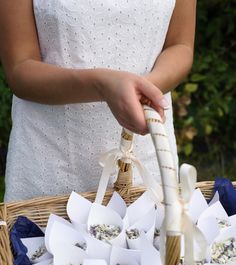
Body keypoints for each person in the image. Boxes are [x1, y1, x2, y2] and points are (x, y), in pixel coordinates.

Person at [0, 0, 196, 202]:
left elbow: (180, 45)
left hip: (147, 152)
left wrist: (143, 90)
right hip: (52, 158)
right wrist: (101, 85)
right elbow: (20, 68)